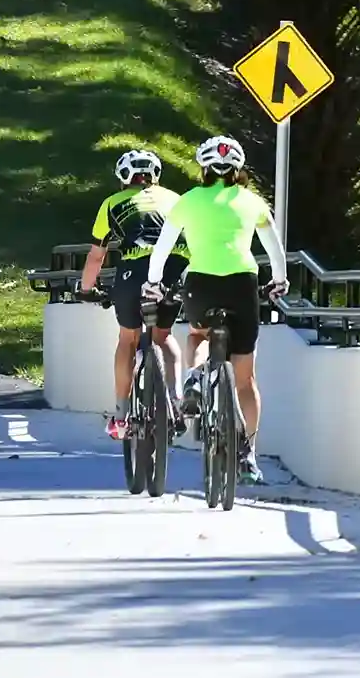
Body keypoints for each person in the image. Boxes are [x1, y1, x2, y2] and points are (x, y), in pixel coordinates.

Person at [145, 135, 289, 485]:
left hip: (201, 283)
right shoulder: (253, 202)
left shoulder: (189, 201)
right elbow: (275, 250)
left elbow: (162, 248)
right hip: (242, 284)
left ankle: (194, 377)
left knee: (198, 333)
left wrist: (153, 282)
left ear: (204, 167)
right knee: (245, 378)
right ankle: (249, 455)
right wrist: (279, 282)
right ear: (239, 169)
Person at [80, 149, 188, 441]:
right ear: (156, 175)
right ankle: (178, 403)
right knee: (164, 336)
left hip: (135, 272)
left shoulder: (113, 203)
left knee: (128, 338)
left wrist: (86, 290)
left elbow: (95, 256)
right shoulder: (176, 199)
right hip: (175, 267)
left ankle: (120, 415)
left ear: (122, 177)